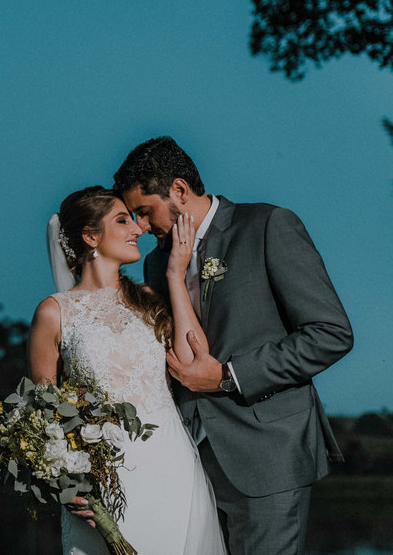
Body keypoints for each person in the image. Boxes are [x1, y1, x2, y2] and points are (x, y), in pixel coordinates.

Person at [113, 137, 353, 555]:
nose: (142, 226)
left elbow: (330, 333)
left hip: (268, 452)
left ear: (180, 190)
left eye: (145, 211)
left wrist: (227, 376)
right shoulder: (157, 263)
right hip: (187, 461)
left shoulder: (265, 226)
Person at [29, 186, 227, 555]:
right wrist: (68, 482)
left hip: (172, 464)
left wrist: (175, 275)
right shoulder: (55, 312)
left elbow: (190, 357)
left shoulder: (150, 300)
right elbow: (45, 413)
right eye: (122, 220)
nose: (137, 228)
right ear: (90, 236)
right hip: (104, 478)